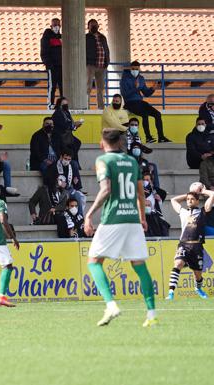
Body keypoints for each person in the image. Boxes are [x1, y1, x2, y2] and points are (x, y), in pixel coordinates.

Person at [84, 129, 157, 327]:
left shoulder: (103, 161)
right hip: (132, 218)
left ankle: (111, 305)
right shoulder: (132, 162)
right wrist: (142, 217)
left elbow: (106, 189)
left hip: (113, 218)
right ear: (119, 143)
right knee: (139, 265)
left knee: (94, 261)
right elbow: (141, 194)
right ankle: (151, 315)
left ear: (102, 143)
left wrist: (89, 215)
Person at [167, 185, 214, 300]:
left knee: (197, 274)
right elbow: (173, 200)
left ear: (197, 201)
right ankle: (171, 293)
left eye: (192, 199)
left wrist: (203, 191)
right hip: (183, 244)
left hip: (197, 246)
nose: (189, 201)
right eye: (188, 199)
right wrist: (189, 193)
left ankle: (198, 288)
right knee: (178, 264)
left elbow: (213, 195)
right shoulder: (183, 212)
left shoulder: (203, 212)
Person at [120, 61, 170, 143]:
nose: (135, 71)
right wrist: (135, 88)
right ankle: (148, 137)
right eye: (133, 69)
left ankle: (161, 137)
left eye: (137, 69)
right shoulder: (124, 79)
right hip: (130, 103)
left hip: (140, 102)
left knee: (157, 114)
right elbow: (124, 94)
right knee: (145, 115)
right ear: (130, 69)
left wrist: (153, 89)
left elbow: (146, 93)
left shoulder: (141, 78)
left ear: (139, 69)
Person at [45, 149, 86, 216]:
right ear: (61, 157)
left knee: (78, 195)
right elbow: (48, 182)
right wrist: (57, 183)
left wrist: (75, 185)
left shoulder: (72, 165)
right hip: (56, 191)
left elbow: (76, 183)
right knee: (65, 196)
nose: (66, 161)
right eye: (65, 158)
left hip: (68, 189)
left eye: (69, 159)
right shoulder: (53, 166)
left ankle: (80, 217)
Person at [85, 19, 109, 110]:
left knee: (101, 88)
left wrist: (107, 61)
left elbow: (106, 49)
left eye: (95, 25)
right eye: (92, 25)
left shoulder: (102, 37)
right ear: (88, 27)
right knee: (88, 86)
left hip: (102, 65)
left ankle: (101, 107)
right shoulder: (86, 37)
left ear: (98, 26)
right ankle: (86, 106)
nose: (94, 26)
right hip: (90, 65)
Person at [51, 97, 83, 166]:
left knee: (77, 143)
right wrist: (73, 124)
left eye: (67, 104)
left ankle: (74, 162)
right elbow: (64, 126)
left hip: (67, 136)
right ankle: (74, 162)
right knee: (73, 146)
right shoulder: (57, 114)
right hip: (60, 137)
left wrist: (76, 126)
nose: (66, 105)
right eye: (64, 104)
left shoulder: (67, 113)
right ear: (59, 105)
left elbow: (71, 126)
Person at [40, 18, 63, 108]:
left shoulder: (61, 38)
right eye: (54, 25)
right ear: (51, 26)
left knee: (62, 86)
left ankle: (62, 103)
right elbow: (44, 53)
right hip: (52, 66)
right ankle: (51, 104)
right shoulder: (46, 38)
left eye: (58, 25)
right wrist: (49, 64)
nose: (56, 27)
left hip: (62, 66)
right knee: (52, 86)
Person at [143, 172, 170, 237]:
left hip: (155, 219)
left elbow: (157, 208)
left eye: (150, 180)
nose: (148, 182)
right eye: (146, 180)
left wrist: (158, 199)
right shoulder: (139, 192)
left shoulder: (154, 192)